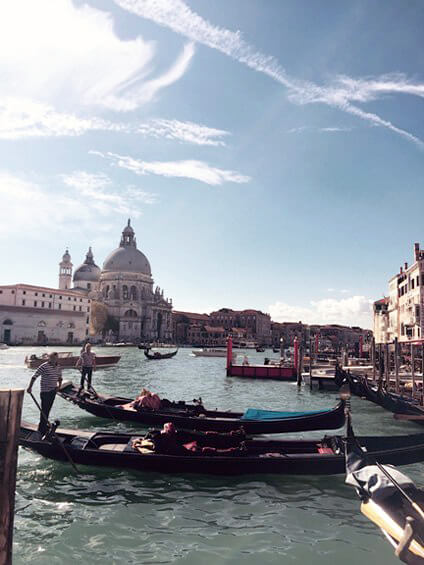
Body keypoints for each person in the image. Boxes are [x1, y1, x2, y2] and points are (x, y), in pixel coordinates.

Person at [27, 352, 62, 436]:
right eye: (52, 358)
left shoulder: (58, 367)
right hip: (45, 391)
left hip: (53, 391)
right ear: (49, 358)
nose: (54, 360)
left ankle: (43, 426)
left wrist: (59, 387)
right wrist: (30, 387)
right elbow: (34, 376)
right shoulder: (44, 366)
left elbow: (60, 378)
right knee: (44, 410)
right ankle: (41, 428)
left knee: (48, 409)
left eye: (55, 358)